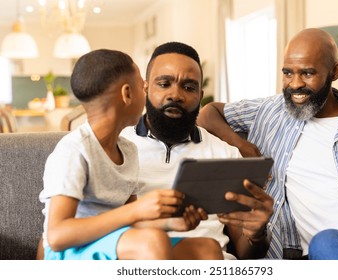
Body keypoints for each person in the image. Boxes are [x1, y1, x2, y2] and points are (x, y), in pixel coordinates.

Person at [197, 28, 338, 260]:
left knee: (328, 242)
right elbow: (208, 113)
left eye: (308, 73)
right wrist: (242, 145)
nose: (295, 84)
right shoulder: (267, 111)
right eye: (288, 73)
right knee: (327, 243)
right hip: (314, 253)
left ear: (335, 72)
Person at [38, 49, 223, 260]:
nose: (147, 94)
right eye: (142, 87)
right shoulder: (74, 150)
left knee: (207, 249)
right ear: (127, 94)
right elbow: (57, 235)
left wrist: (171, 223)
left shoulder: (128, 150)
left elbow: (134, 220)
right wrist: (136, 210)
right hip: (69, 250)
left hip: (114, 240)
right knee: (152, 242)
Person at [120, 42, 274, 260]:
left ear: (200, 95)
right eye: (164, 84)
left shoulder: (225, 155)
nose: (176, 95)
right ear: (146, 87)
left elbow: (246, 253)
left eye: (189, 87)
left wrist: (257, 233)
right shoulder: (116, 148)